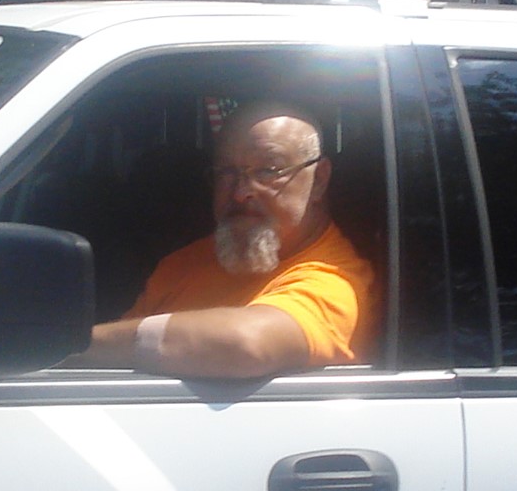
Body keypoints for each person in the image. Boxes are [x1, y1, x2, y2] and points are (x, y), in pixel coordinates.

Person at [81, 100, 374, 378]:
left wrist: (74, 347)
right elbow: (112, 358)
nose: (240, 192)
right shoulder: (182, 264)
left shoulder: (336, 280)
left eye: (268, 170)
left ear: (319, 179)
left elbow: (246, 344)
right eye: (226, 172)